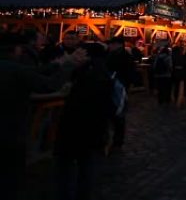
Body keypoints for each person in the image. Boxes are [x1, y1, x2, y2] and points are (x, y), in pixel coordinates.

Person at [0, 32, 86, 200]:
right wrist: (69, 66)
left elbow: (34, 71)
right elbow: (48, 85)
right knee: (9, 176)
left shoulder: (14, 67)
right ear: (16, 49)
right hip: (11, 129)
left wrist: (59, 64)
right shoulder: (15, 69)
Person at [55, 42, 113, 200]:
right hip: (94, 129)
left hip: (73, 128)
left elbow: (59, 84)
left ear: (86, 55)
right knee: (87, 168)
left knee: (66, 169)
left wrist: (65, 65)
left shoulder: (82, 72)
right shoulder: (104, 73)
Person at [105, 36, 136, 149]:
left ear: (117, 44)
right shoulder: (127, 55)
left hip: (115, 86)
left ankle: (114, 140)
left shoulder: (114, 55)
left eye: (111, 44)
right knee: (119, 113)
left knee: (115, 112)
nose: (109, 46)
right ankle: (118, 139)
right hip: (123, 86)